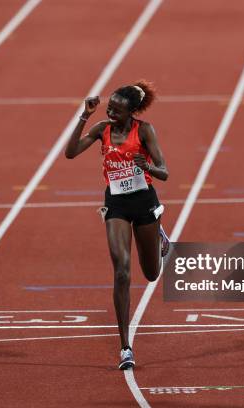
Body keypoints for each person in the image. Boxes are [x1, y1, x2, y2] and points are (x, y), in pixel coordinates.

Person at [64, 80, 170, 370]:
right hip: (117, 204)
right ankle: (125, 347)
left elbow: (165, 172)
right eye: (109, 107)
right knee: (122, 270)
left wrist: (146, 166)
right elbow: (70, 153)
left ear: (132, 112)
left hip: (144, 200)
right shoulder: (102, 130)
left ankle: (158, 230)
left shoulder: (145, 131)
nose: (110, 112)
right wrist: (85, 115)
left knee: (150, 274)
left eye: (117, 110)